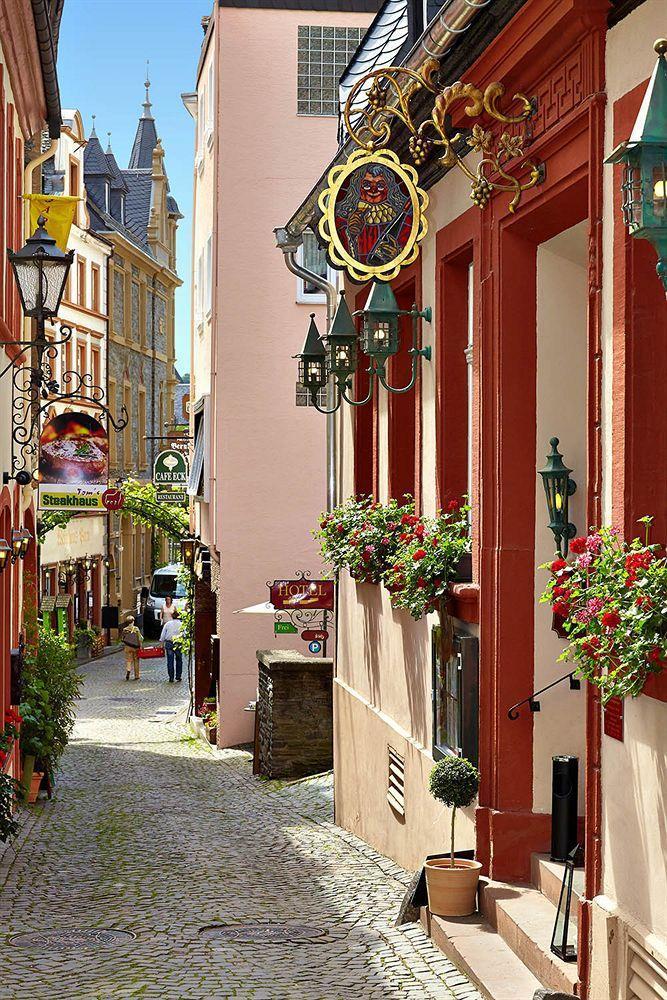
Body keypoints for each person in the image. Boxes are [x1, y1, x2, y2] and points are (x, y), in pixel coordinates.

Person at [160, 610, 183, 683]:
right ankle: (178, 676)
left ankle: (171, 677)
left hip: (169, 643)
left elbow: (163, 634)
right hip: (178, 643)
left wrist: (161, 643)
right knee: (179, 660)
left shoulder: (168, 624)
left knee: (170, 661)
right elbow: (184, 634)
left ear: (172, 616)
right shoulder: (181, 624)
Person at [122, 615, 143, 681]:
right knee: (136, 661)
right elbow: (140, 638)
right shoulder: (136, 629)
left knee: (128, 660)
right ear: (133, 621)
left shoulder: (125, 629)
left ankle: (128, 670)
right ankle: (137, 675)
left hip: (127, 647)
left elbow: (123, 638)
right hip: (135, 647)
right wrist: (141, 646)